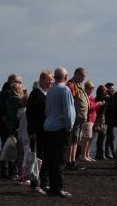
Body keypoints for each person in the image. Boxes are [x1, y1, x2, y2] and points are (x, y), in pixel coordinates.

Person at [42, 67, 76, 198]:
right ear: (66, 77)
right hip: (60, 128)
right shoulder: (65, 90)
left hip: (49, 127)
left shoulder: (50, 90)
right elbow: (68, 111)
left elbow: (47, 110)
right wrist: (69, 127)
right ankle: (58, 188)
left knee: (51, 158)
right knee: (61, 159)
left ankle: (52, 186)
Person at [27, 70, 51, 194]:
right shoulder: (35, 94)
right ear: (41, 80)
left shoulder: (47, 94)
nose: (50, 82)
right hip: (37, 132)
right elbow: (30, 115)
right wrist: (32, 131)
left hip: (46, 131)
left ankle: (44, 182)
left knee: (44, 157)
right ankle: (35, 184)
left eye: (51, 80)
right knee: (37, 158)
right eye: (48, 79)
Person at [0, 73, 22, 179]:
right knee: (9, 147)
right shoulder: (7, 93)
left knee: (6, 147)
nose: (20, 85)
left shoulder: (4, 92)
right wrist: (9, 126)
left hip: (4, 124)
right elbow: (4, 113)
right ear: (12, 81)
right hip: (7, 125)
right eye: (19, 82)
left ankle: (7, 170)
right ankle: (8, 171)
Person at [66, 67, 88, 171]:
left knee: (75, 140)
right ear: (77, 74)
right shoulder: (71, 85)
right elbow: (69, 102)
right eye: (83, 77)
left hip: (80, 119)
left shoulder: (79, 86)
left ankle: (73, 161)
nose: (84, 79)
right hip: (75, 118)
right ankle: (69, 162)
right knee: (72, 140)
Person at [5, 82, 27, 179]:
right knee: (20, 152)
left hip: (11, 125)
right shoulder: (18, 100)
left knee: (13, 151)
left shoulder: (8, 100)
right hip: (19, 126)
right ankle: (19, 172)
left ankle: (13, 172)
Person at [80, 82, 104, 162]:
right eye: (91, 88)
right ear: (86, 88)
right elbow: (89, 107)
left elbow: (94, 108)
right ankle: (83, 155)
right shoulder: (85, 96)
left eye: (93, 88)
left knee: (90, 138)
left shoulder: (91, 97)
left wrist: (98, 105)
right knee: (86, 138)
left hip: (92, 120)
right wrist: (98, 104)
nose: (92, 89)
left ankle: (87, 154)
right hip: (88, 119)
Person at [93, 84, 110, 160]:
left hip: (97, 118)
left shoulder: (97, 98)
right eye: (105, 90)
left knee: (98, 137)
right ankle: (101, 154)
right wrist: (109, 92)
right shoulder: (104, 98)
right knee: (102, 137)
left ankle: (98, 154)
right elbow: (110, 98)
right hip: (101, 118)